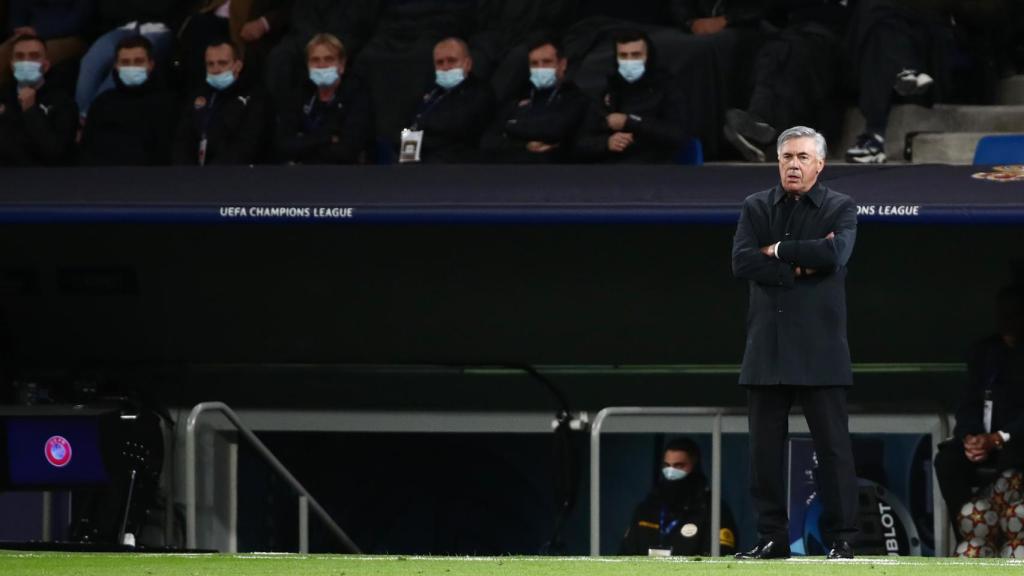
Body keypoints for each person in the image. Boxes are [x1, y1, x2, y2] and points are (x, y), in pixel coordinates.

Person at [730, 125, 858, 560]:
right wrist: (799, 264)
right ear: (778, 162)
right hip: (766, 349)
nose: (793, 165)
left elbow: (834, 255)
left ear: (820, 164)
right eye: (787, 157)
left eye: (803, 157)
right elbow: (742, 261)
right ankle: (772, 538)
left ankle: (843, 540)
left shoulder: (841, 207)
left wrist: (778, 250)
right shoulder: (755, 206)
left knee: (834, 450)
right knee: (763, 454)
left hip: (820, 350)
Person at [934, 284, 1024, 548]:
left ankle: (1007, 541)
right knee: (947, 461)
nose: (1007, 319)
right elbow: (968, 402)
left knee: (1011, 462)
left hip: (1014, 442)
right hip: (984, 441)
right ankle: (971, 538)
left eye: (1015, 313)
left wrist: (999, 438)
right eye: (1003, 313)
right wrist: (970, 437)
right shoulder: (985, 351)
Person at [723, 0, 850, 162]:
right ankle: (760, 124)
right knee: (773, 52)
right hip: (795, 29)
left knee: (794, 52)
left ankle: (770, 134)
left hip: (835, 35)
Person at [575, 30, 689, 164]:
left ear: (648, 56)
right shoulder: (609, 91)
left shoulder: (667, 88)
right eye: (623, 56)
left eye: (636, 55)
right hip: (611, 171)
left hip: (654, 170)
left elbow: (677, 135)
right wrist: (606, 143)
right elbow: (581, 141)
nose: (629, 62)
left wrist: (630, 121)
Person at [620, 438, 737, 557]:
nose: (671, 472)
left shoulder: (713, 510)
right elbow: (625, 553)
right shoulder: (647, 508)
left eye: (679, 466)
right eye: (667, 465)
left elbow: (723, 557)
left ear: (694, 466)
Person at [480, 38, 587, 163]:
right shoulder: (519, 97)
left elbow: (555, 130)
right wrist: (524, 145)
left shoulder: (575, 98)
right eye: (534, 64)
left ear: (562, 64)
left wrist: (510, 126)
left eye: (546, 62)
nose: (540, 69)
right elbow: (487, 141)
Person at [79, 35, 176, 165]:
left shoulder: (168, 103)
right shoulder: (102, 103)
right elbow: (87, 148)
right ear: (116, 66)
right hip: (104, 178)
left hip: (152, 179)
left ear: (151, 64)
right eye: (125, 62)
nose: (132, 67)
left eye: (138, 61)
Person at [74, 1, 180, 118]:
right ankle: (80, 117)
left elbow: (163, 8)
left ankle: (94, 118)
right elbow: (108, 9)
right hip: (125, 27)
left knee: (122, 67)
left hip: (159, 29)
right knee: (91, 60)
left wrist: (130, 7)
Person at [275, 32, 370, 163]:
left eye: (329, 59)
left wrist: (304, 141)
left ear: (341, 65)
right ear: (308, 65)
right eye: (315, 60)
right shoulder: (298, 95)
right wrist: (328, 137)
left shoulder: (357, 96)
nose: (322, 65)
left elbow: (348, 151)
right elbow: (284, 145)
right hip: (302, 175)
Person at [397, 36, 493, 163]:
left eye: (452, 61)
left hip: (458, 165)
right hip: (417, 160)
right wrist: (408, 157)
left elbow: (454, 131)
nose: (446, 67)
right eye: (439, 63)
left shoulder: (481, 93)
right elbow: (411, 122)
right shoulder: (431, 91)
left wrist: (422, 134)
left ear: (468, 64)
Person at [174, 40, 268, 165]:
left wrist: (213, 174)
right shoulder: (198, 96)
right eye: (210, 64)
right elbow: (182, 139)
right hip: (194, 176)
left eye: (222, 63)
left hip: (236, 176)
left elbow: (247, 145)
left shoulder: (255, 98)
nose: (216, 69)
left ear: (238, 66)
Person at [0, 34, 78, 165]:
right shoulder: (2, 96)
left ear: (46, 65)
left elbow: (57, 152)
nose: (26, 62)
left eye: (34, 56)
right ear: (12, 65)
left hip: (43, 177)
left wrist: (30, 110)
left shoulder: (62, 101)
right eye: (19, 56)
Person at [0, 0, 92, 90]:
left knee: (34, 58)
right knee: (3, 54)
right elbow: (17, 14)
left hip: (67, 36)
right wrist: (20, 31)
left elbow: (78, 21)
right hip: (26, 34)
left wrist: (37, 32)